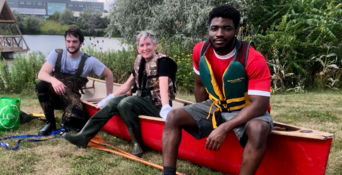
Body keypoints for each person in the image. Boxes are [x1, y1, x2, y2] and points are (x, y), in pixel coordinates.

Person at [161, 5, 273, 175]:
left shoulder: (253, 58)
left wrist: (224, 127)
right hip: (216, 105)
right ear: (209, 30)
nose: (219, 34)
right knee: (173, 116)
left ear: (236, 30)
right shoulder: (200, 50)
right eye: (214, 28)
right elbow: (199, 85)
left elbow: (260, 104)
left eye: (226, 28)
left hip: (246, 109)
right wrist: (204, 121)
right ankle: (167, 173)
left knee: (259, 129)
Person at [64, 30, 178, 158]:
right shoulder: (140, 61)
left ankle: (138, 144)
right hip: (140, 100)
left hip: (156, 105)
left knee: (126, 103)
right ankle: (83, 137)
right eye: (142, 45)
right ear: (138, 48)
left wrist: (165, 107)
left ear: (155, 45)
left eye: (148, 44)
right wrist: (110, 97)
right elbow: (127, 85)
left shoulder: (163, 62)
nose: (145, 48)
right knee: (113, 103)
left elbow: (163, 86)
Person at [35, 26, 114, 136]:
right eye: (68, 41)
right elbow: (41, 73)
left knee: (75, 119)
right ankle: (50, 123)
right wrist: (53, 80)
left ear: (81, 43)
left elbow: (109, 74)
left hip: (71, 97)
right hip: (54, 94)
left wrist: (108, 98)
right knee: (41, 86)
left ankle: (66, 119)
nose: (71, 45)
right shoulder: (56, 54)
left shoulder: (89, 61)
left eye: (75, 42)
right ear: (65, 41)